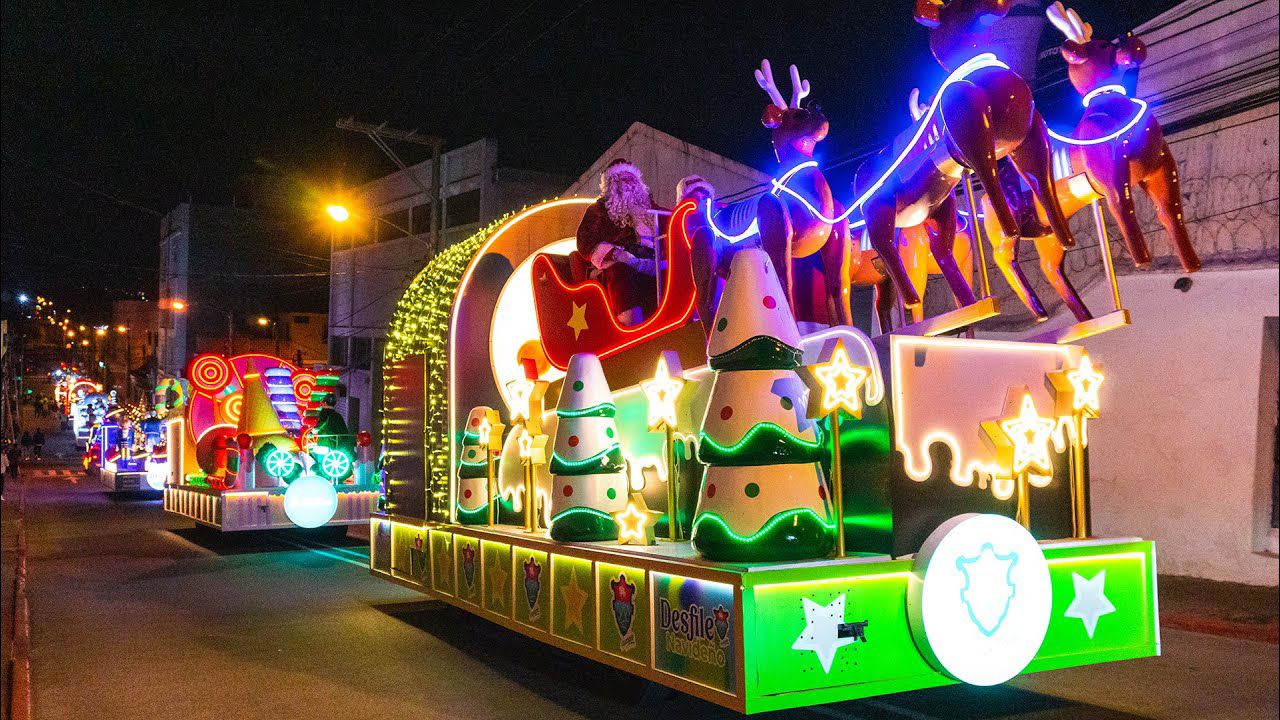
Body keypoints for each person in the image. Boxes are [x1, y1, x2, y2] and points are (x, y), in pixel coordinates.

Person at [576, 159, 667, 324]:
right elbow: (585, 242)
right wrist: (615, 253)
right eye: (623, 178)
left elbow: (674, 219)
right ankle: (630, 323)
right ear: (613, 183)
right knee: (620, 270)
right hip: (618, 260)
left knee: (674, 270)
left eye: (632, 178)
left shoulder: (649, 207)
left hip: (652, 261)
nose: (629, 183)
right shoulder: (599, 210)